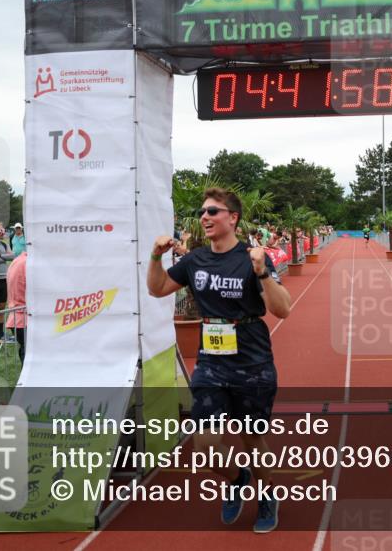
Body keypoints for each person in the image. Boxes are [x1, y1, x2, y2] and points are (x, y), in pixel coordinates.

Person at [147, 187, 291, 534]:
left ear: (233, 218)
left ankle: (267, 496)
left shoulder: (251, 257)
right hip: (211, 363)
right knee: (205, 447)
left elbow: (282, 309)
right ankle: (239, 478)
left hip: (252, 362)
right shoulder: (195, 260)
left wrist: (262, 272)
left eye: (213, 211)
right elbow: (158, 289)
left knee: (251, 439)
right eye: (202, 212)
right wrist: (154, 257)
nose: (205, 217)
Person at [5, 250, 27, 361]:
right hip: (24, 317)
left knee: (24, 349)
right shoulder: (28, 263)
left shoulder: (17, 260)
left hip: (17, 316)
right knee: (27, 351)